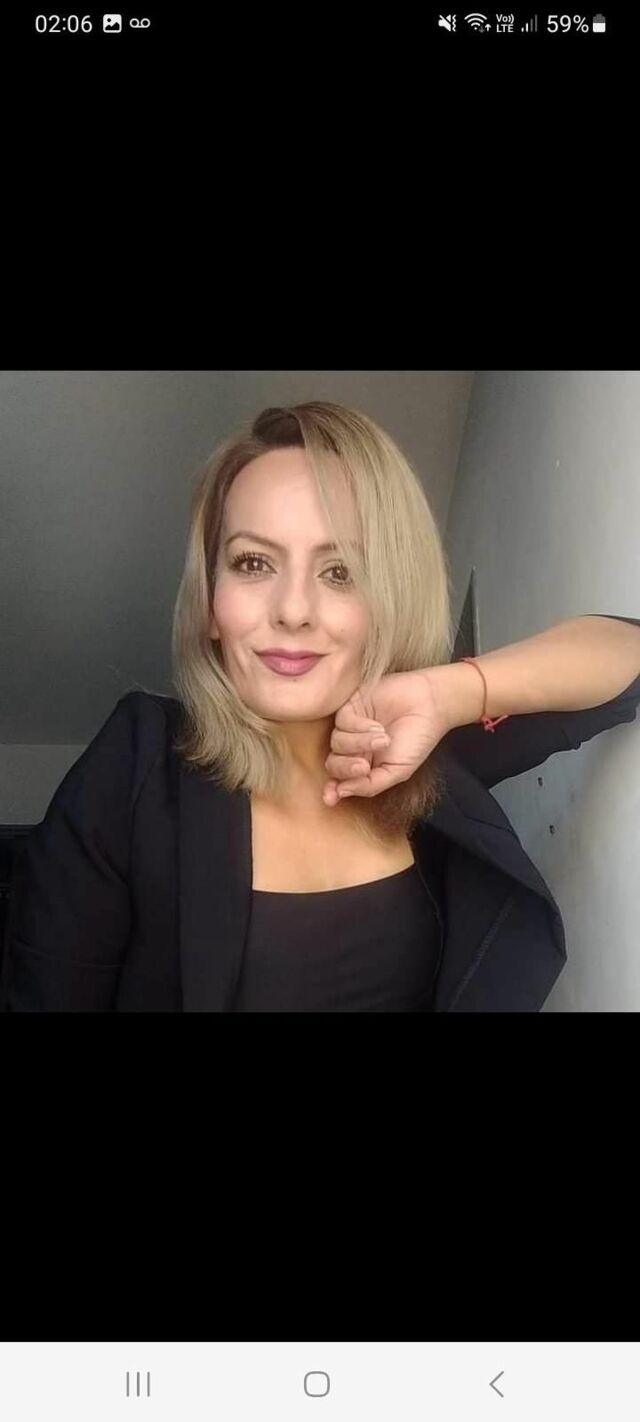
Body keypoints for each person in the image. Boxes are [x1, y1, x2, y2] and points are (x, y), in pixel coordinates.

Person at [3, 401, 640, 1011]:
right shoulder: (138, 767)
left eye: (340, 572)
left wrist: (445, 691)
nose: (293, 610)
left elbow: (626, 657)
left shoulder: (421, 747)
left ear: (388, 600)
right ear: (211, 604)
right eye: (253, 563)